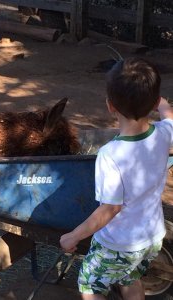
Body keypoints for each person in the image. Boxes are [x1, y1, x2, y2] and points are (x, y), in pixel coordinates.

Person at [60, 57, 173, 300]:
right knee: (130, 275)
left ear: (110, 106)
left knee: (90, 285)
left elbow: (110, 209)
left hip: (118, 244)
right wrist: (162, 105)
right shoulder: (164, 134)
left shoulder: (110, 154)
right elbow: (170, 118)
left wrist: (74, 235)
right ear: (153, 103)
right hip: (152, 237)